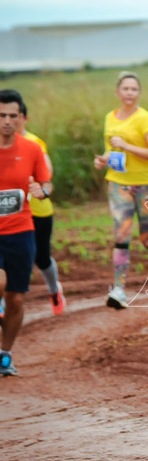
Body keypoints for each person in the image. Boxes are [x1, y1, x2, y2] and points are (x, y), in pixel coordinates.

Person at [93, 72, 148, 309]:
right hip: (119, 182)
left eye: (134, 89)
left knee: (147, 237)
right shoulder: (110, 117)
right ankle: (119, 288)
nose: (129, 93)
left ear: (138, 93)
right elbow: (112, 150)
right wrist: (103, 160)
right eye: (125, 89)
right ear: (118, 92)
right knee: (121, 235)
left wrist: (127, 145)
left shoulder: (145, 119)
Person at [0, 89, 53, 376]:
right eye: (1, 115)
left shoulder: (31, 149)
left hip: (21, 231)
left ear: (21, 117)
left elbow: (47, 182)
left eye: (12, 115)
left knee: (16, 299)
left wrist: (42, 190)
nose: (6, 121)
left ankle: (4, 354)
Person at [16, 111, 66, 315]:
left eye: (15, 115)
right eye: (3, 116)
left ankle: (54, 290)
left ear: (25, 118)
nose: (10, 120)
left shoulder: (34, 143)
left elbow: (47, 173)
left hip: (38, 211)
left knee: (42, 257)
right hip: (9, 213)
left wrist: (36, 184)